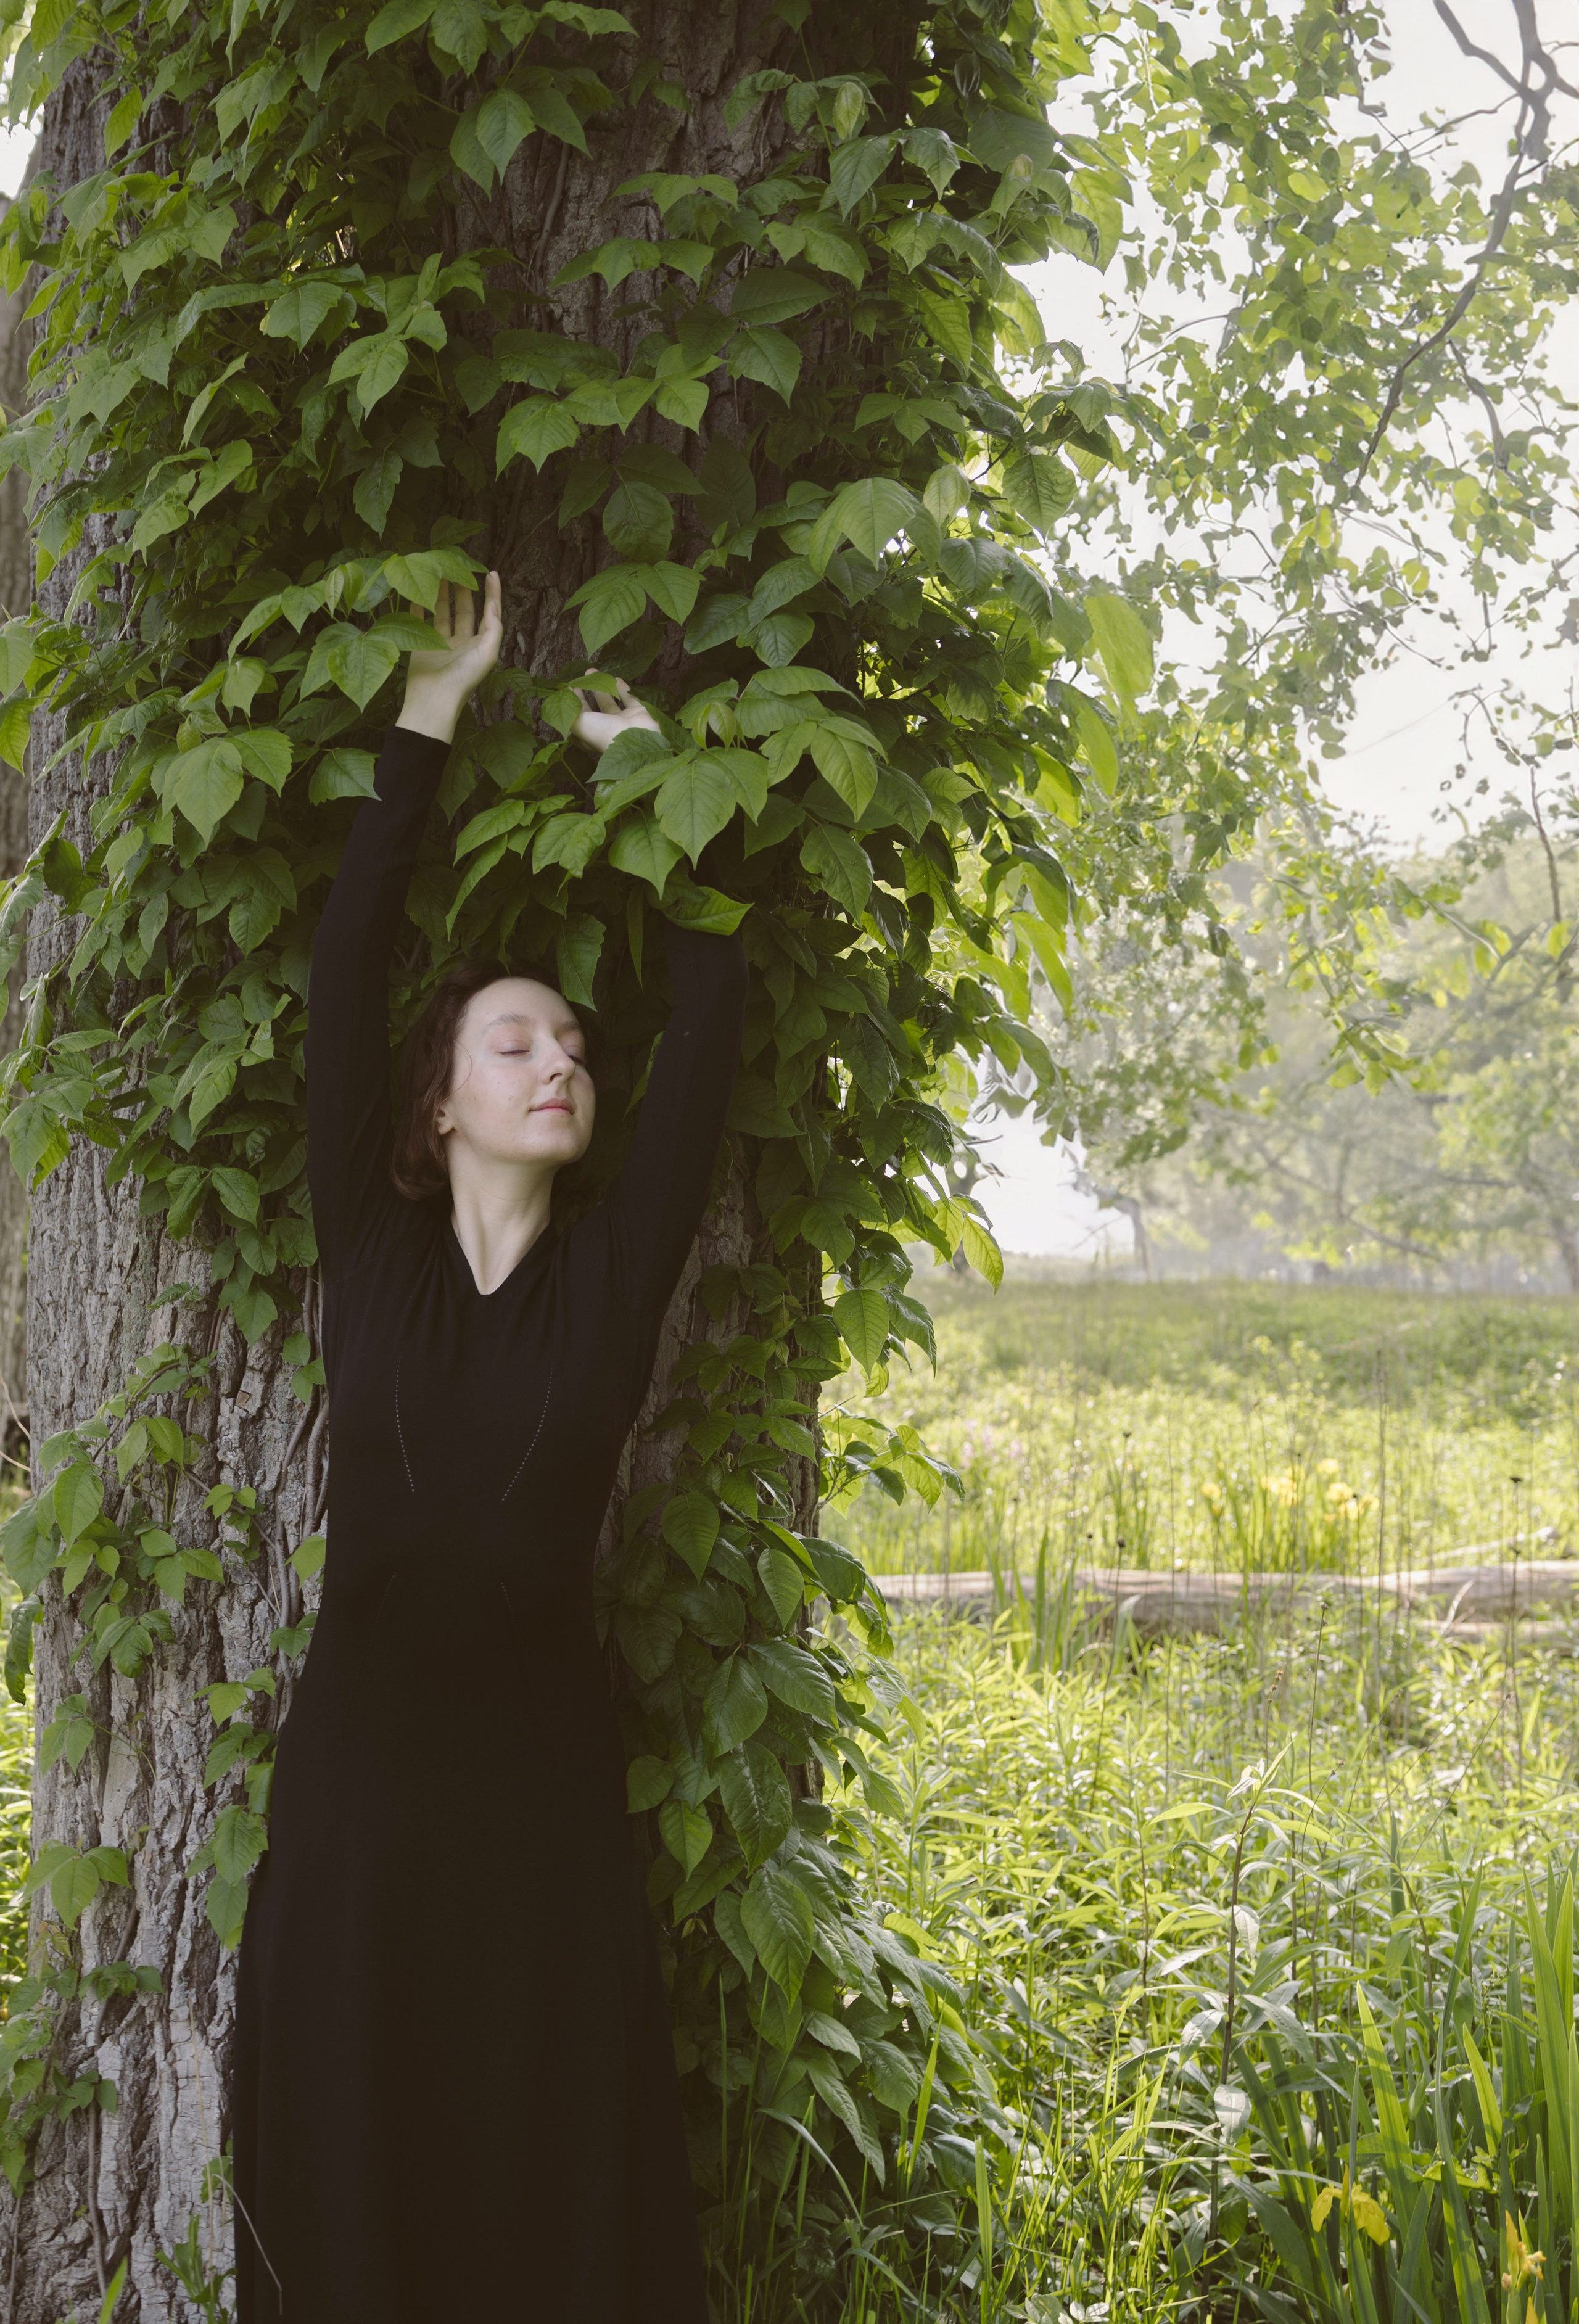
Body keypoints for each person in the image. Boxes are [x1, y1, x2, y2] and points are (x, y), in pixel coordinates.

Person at [229, 571, 748, 2321]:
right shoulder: (369, 1256)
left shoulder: (607, 1281)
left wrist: (649, 786)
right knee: (356, 2153)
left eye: (574, 1047)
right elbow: (346, 961)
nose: (561, 1063)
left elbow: (711, 1021)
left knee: (538, 2172)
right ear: (439, 1099)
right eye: (515, 1041)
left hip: (537, 1791)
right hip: (364, 1784)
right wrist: (431, 715)